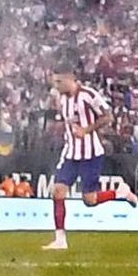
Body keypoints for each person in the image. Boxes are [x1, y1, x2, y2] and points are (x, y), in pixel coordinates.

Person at [44, 75, 115, 252]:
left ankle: (119, 192)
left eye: (59, 82)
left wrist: (86, 130)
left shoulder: (88, 95)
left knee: (89, 200)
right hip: (70, 153)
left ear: (70, 79)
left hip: (90, 153)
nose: (56, 86)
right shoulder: (62, 99)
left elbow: (108, 116)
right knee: (58, 191)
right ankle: (60, 239)